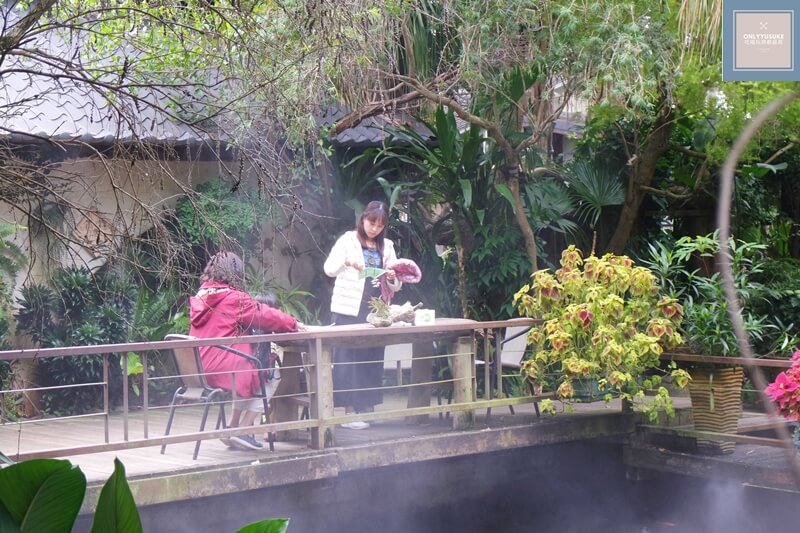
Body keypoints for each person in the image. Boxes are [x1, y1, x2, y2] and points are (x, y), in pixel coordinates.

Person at [189, 252, 299, 450]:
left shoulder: (202, 296)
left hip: (199, 368)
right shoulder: (234, 298)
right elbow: (264, 315)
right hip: (223, 368)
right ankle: (245, 429)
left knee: (249, 369)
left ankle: (233, 427)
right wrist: (294, 324)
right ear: (235, 273)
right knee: (269, 374)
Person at [323, 201, 402, 429]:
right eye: (371, 222)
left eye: (379, 225)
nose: (374, 228)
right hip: (348, 309)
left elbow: (396, 283)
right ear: (363, 219)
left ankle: (367, 408)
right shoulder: (347, 240)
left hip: (377, 309)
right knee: (347, 360)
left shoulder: (386, 245)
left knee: (372, 358)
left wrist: (390, 277)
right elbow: (329, 269)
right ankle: (348, 413)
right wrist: (346, 262)